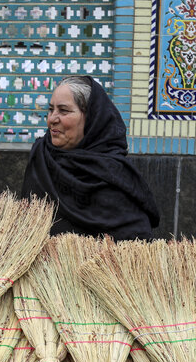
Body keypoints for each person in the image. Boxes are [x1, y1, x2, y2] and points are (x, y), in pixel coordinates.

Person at [21, 76, 160, 240]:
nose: (52, 119)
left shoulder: (113, 173)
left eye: (64, 111)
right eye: (51, 110)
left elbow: (135, 242)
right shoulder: (42, 158)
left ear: (91, 118)